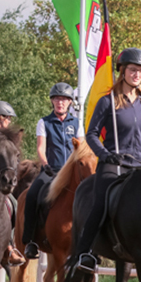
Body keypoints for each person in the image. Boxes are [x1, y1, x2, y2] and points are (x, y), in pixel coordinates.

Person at [70, 48, 141, 274]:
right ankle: (84, 254)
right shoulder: (107, 101)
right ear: (122, 71)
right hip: (114, 163)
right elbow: (91, 134)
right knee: (101, 203)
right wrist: (104, 154)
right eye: (133, 70)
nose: (137, 74)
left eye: (140, 71)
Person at [23, 82, 80, 259]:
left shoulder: (77, 123)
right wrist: (45, 165)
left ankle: (91, 245)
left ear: (70, 102)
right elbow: (41, 147)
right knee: (32, 195)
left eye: (63, 99)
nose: (60, 102)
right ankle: (30, 241)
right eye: (56, 99)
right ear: (52, 101)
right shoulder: (44, 122)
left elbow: (81, 148)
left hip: (71, 172)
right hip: (51, 170)